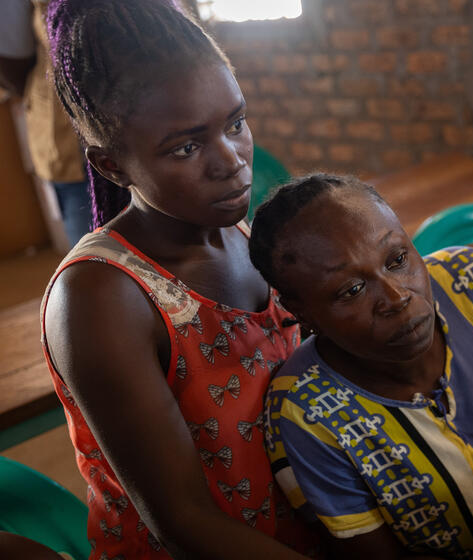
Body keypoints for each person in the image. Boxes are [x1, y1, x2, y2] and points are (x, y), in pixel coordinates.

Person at [40, 0, 322, 557]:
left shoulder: (243, 236)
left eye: (236, 124)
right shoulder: (101, 296)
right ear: (112, 165)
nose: (232, 161)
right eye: (186, 147)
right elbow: (183, 521)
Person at [247, 174, 473, 559]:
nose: (396, 297)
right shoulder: (307, 411)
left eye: (397, 260)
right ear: (302, 312)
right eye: (352, 290)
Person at [0, 0, 93, 247]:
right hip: (77, 144)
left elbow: (13, 65)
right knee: (99, 260)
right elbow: (13, 65)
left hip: (83, 132)